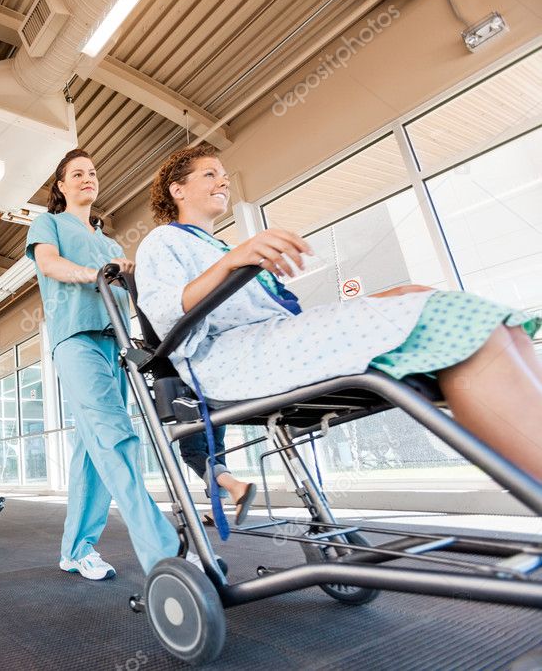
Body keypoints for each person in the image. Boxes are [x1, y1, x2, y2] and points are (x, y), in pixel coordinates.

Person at [135, 144, 542, 488]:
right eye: (209, 174)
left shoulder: (219, 248)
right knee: (446, 320)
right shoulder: (162, 241)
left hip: (273, 342)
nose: (223, 181)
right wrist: (235, 261)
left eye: (223, 174)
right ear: (177, 190)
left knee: (438, 303)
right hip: (231, 358)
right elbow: (168, 311)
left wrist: (233, 259)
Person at [26, 148, 188, 581]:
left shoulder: (111, 243)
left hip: (115, 344)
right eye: (76, 174)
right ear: (60, 186)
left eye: (92, 173)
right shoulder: (50, 224)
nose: (87, 179)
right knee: (117, 436)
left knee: (91, 451)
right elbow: (49, 264)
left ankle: (76, 550)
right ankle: (166, 553)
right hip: (75, 340)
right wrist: (96, 272)